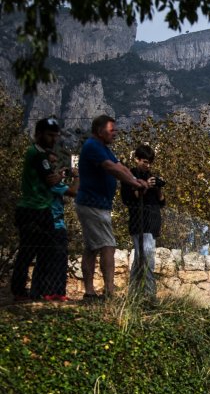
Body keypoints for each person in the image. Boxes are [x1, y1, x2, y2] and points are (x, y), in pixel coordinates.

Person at [75, 115, 148, 300]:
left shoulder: (103, 148)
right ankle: (109, 291)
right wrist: (135, 184)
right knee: (108, 245)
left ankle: (90, 292)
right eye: (111, 130)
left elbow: (120, 166)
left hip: (98, 204)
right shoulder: (93, 146)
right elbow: (111, 168)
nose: (115, 133)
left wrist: (135, 179)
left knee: (92, 247)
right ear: (100, 131)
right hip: (93, 204)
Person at [10, 118, 62, 301]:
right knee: (29, 251)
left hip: (42, 208)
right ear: (39, 134)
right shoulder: (38, 154)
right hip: (33, 209)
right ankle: (20, 291)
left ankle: (38, 291)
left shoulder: (40, 154)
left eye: (55, 135)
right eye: (49, 135)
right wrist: (61, 175)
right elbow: (51, 180)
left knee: (44, 251)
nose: (53, 139)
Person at [31, 152, 80, 301]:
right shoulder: (52, 182)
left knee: (43, 258)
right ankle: (54, 291)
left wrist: (59, 176)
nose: (53, 166)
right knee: (57, 259)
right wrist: (76, 177)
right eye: (51, 163)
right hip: (55, 225)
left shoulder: (38, 179)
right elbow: (74, 192)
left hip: (41, 224)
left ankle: (39, 291)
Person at [121, 144, 166, 297]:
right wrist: (145, 186)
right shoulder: (130, 176)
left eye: (149, 163)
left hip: (153, 223)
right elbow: (128, 199)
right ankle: (149, 294)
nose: (147, 165)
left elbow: (162, 202)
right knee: (147, 259)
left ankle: (133, 294)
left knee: (141, 259)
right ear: (137, 159)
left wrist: (158, 188)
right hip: (139, 223)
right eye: (145, 162)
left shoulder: (151, 177)